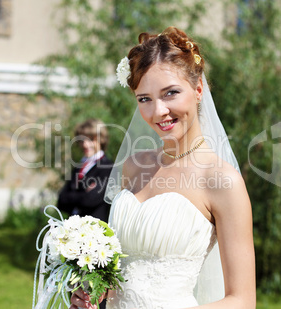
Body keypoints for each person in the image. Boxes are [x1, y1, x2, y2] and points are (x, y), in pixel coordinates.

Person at [70, 27, 255, 309]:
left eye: (170, 93)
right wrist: (92, 290)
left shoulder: (221, 181)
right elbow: (126, 266)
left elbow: (242, 301)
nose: (158, 112)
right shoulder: (133, 166)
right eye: (144, 99)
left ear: (198, 90)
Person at [57, 118, 113, 223]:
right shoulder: (79, 167)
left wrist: (72, 195)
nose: (85, 144)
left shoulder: (108, 167)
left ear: (101, 139)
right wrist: (83, 194)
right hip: (72, 228)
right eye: (82, 140)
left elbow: (90, 200)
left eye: (91, 139)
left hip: (95, 230)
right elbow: (61, 201)